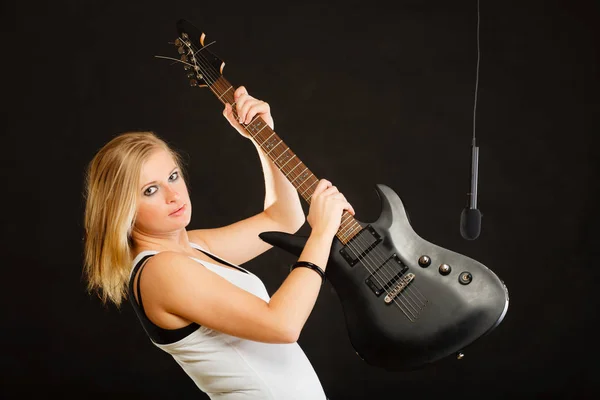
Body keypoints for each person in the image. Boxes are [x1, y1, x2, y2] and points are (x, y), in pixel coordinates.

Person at [82, 85, 355, 399]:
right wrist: (321, 233)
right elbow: (282, 324)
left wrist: (264, 137)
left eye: (172, 177)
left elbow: (283, 219)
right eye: (150, 190)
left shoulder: (190, 248)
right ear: (121, 209)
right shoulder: (161, 270)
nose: (173, 195)